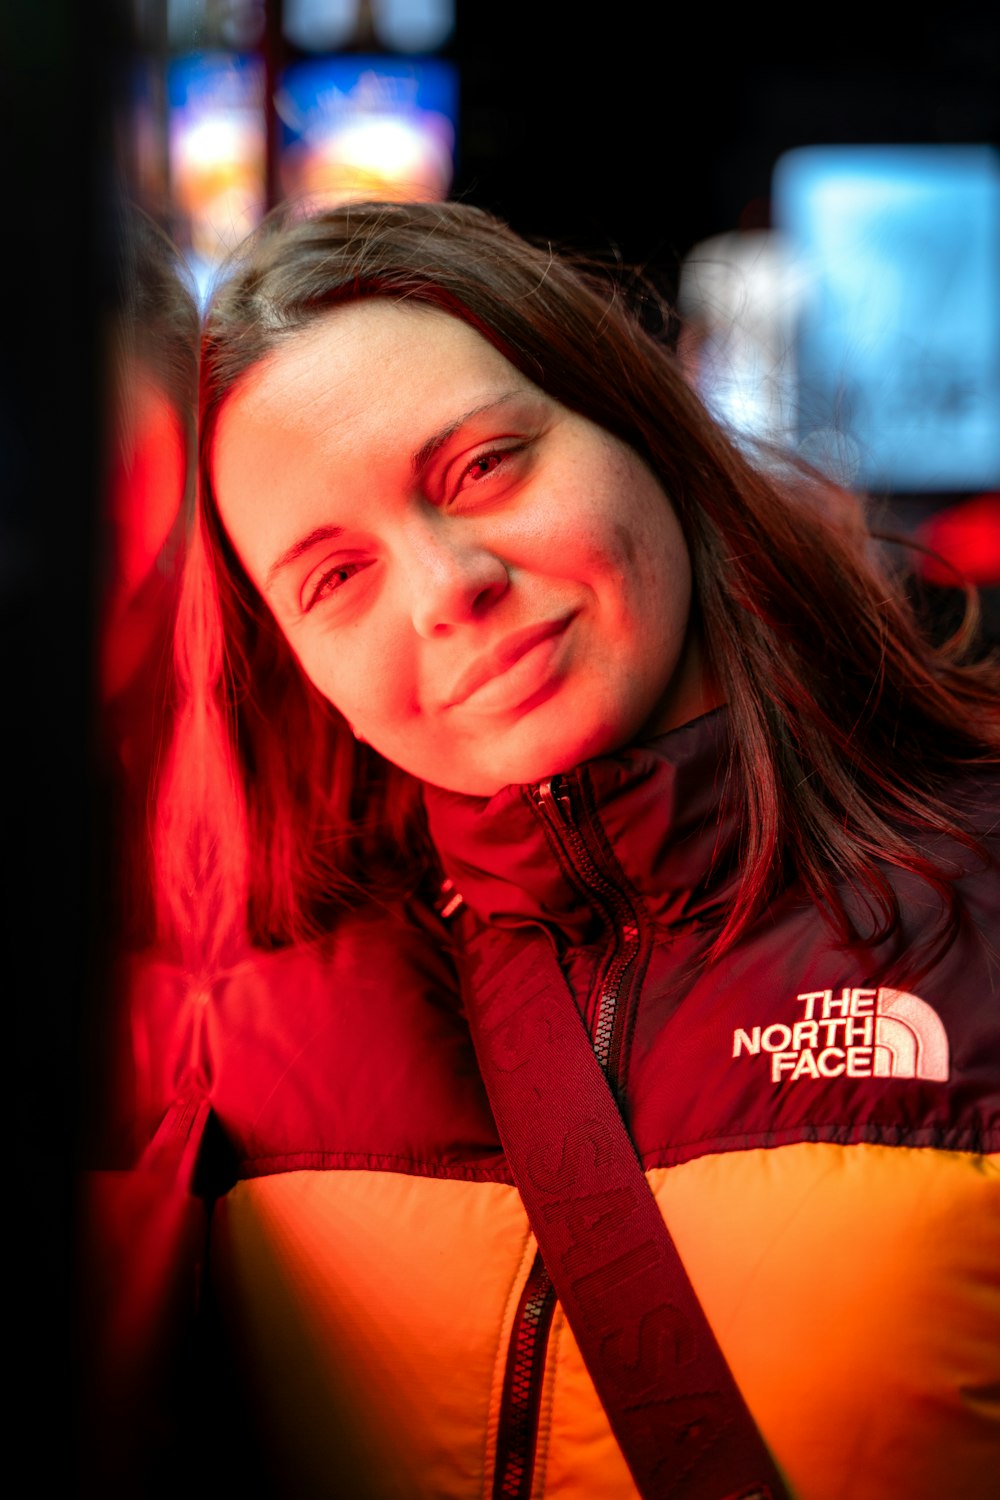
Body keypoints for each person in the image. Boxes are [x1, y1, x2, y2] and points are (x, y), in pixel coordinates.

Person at [136, 200, 999, 1499]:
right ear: (285, 660)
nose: (446, 587)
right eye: (331, 576)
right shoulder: (231, 1034)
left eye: (483, 465)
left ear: (636, 425)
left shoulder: (978, 901)